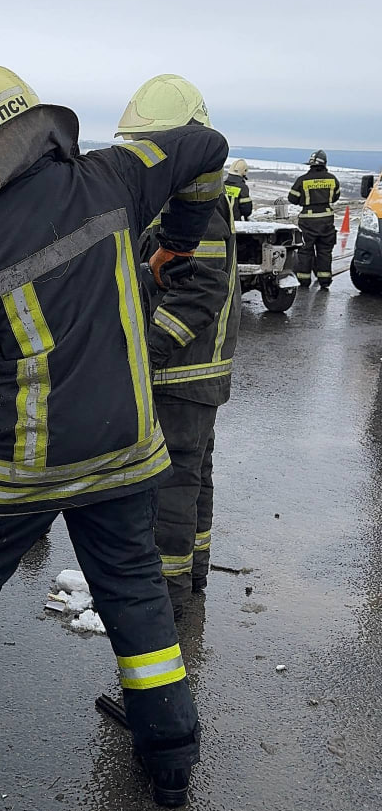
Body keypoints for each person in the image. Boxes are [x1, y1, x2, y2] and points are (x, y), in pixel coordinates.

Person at [0, 65, 229, 809]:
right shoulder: (118, 175)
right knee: (137, 596)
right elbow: (209, 145)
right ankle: (171, 763)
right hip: (127, 450)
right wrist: (179, 239)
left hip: (27, 468)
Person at [116, 76, 241, 618]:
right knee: (193, 478)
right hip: (196, 374)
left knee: (171, 485)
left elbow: (199, 291)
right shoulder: (190, 192)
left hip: (180, 374)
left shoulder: (198, 203)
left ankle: (162, 603)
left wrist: (145, 352)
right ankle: (192, 577)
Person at [288, 150, 341, 287]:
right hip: (326, 220)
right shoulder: (332, 179)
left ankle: (304, 280)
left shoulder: (303, 180)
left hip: (308, 221)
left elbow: (292, 198)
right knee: (325, 251)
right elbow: (335, 197)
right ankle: (325, 280)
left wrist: (304, 200)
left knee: (305, 251)